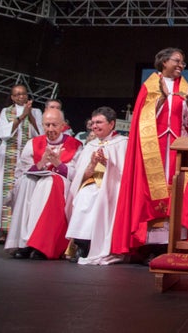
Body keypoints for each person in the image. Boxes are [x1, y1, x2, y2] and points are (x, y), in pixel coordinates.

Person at [111, 48, 188, 261]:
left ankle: (172, 243)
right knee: (151, 192)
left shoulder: (185, 88)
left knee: (175, 190)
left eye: (183, 62)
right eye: (177, 61)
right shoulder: (150, 86)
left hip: (176, 146)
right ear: (163, 62)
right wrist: (162, 97)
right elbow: (144, 119)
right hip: (154, 147)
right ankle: (150, 244)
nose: (181, 65)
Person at [4, 108, 82, 259]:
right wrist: (42, 162)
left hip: (60, 184)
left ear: (62, 126)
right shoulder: (33, 143)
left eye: (54, 125)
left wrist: (58, 163)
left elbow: (77, 174)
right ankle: (23, 243)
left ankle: (40, 244)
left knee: (49, 182)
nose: (50, 129)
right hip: (36, 180)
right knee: (26, 181)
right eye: (47, 125)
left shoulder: (75, 145)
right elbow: (21, 171)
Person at [66, 107, 128, 265]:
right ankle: (82, 244)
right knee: (84, 196)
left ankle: (100, 245)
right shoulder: (90, 145)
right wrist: (93, 164)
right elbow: (82, 176)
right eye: (93, 122)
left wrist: (107, 164)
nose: (94, 126)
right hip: (92, 183)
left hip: (114, 188)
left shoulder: (122, 144)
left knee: (99, 198)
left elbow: (125, 174)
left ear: (111, 124)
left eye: (99, 122)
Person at [0, 85, 43, 244]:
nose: (20, 97)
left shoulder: (37, 112)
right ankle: (5, 231)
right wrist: (20, 117)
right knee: (5, 193)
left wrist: (29, 114)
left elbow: (40, 133)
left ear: (27, 95)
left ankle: (21, 230)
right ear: (12, 97)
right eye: (17, 95)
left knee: (23, 191)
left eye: (23, 94)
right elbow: (3, 133)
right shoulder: (6, 112)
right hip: (8, 157)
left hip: (26, 155)